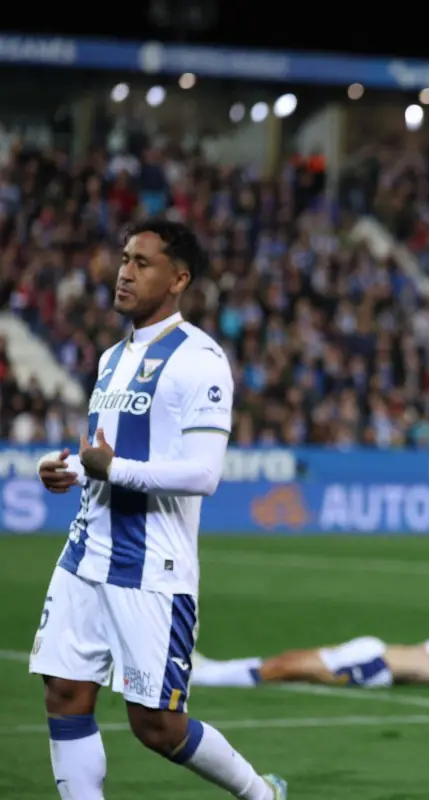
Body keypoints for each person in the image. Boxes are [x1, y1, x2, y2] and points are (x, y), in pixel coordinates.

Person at [31, 220, 287, 800]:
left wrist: (111, 469)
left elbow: (203, 474)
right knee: (64, 694)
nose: (124, 272)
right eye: (124, 258)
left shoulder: (200, 359)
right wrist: (69, 470)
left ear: (178, 279)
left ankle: (260, 794)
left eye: (142, 263)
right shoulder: (110, 358)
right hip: (85, 553)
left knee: (158, 726)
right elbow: (106, 456)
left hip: (151, 569)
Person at [189, 635, 429, 694]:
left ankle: (205, 676)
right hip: (371, 650)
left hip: (374, 667)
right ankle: (210, 668)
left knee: (282, 669)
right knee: (285, 661)